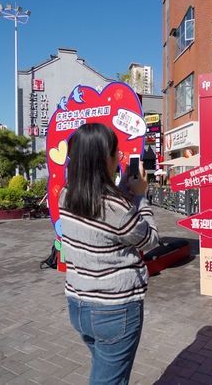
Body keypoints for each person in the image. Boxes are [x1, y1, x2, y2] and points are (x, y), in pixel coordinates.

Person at [60, 123, 160, 384]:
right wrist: (140, 198)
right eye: (117, 152)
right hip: (115, 309)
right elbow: (150, 238)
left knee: (104, 370)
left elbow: (108, 224)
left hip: (78, 304)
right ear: (105, 158)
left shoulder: (65, 195)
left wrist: (125, 192)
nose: (120, 157)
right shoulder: (114, 205)